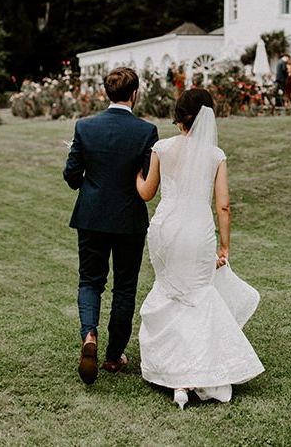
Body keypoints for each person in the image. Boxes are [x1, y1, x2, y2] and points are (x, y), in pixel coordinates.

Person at [136, 88, 264, 409]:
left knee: (170, 292)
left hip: (164, 230)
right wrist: (225, 246)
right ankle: (191, 376)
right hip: (197, 233)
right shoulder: (215, 155)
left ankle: (174, 375)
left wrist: (133, 175)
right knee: (196, 295)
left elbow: (147, 192)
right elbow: (223, 206)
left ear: (179, 115)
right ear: (208, 116)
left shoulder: (161, 148)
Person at [63, 67, 158, 385]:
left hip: (91, 217)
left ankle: (89, 335)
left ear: (107, 93)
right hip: (129, 218)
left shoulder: (85, 126)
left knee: (90, 281)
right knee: (125, 287)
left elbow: (72, 176)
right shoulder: (146, 131)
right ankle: (115, 355)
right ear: (135, 94)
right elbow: (146, 179)